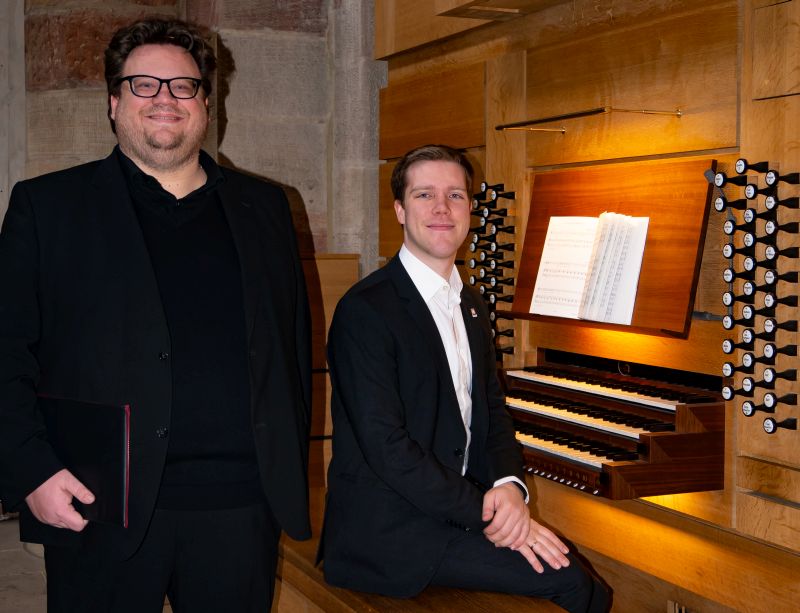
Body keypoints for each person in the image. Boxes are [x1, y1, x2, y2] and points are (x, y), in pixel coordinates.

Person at [0, 18, 311, 613]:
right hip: (99, 500)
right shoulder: (48, 208)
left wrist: (285, 482)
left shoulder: (266, 207)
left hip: (239, 505)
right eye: (143, 84)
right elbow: (5, 351)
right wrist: (31, 470)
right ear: (114, 102)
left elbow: (288, 348)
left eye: (183, 86)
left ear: (205, 104)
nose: (165, 99)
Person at [319, 144, 609, 612]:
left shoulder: (470, 305)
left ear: (470, 209)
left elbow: (492, 414)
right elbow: (387, 450)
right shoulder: (365, 311)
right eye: (424, 195)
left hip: (456, 510)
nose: (441, 209)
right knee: (574, 582)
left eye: (455, 195)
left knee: (575, 570)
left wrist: (512, 488)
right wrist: (487, 510)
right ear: (399, 210)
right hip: (392, 531)